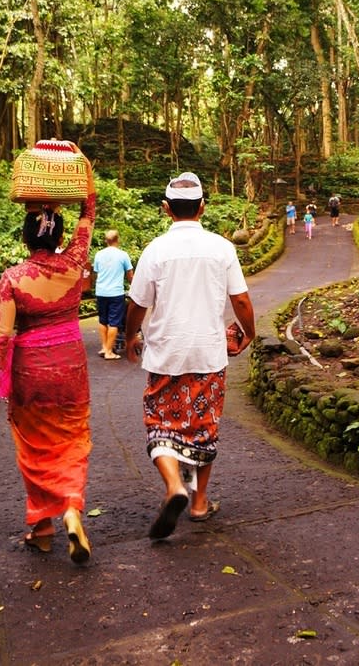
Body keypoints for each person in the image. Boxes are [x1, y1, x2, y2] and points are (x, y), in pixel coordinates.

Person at [0, 149, 96, 566]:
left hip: (31, 371)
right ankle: (72, 511)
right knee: (72, 437)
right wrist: (86, 175)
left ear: (26, 238)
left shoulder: (13, 278)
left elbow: (2, 334)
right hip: (71, 363)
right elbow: (88, 215)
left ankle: (42, 529)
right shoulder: (75, 263)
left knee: (34, 444)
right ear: (59, 237)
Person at [125, 171, 256, 540]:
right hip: (208, 354)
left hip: (166, 354)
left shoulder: (154, 251)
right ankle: (198, 502)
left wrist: (133, 334)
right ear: (203, 207)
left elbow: (136, 304)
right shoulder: (221, 248)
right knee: (203, 428)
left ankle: (173, 486)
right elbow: (241, 300)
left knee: (160, 423)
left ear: (166, 209)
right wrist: (249, 331)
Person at [92, 229, 134, 360]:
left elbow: (95, 274)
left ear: (106, 240)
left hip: (101, 292)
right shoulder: (123, 255)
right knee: (114, 323)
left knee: (102, 320)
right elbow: (130, 274)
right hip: (115, 292)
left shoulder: (99, 254)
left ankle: (104, 346)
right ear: (118, 239)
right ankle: (109, 352)